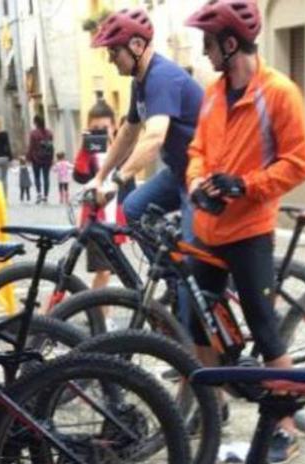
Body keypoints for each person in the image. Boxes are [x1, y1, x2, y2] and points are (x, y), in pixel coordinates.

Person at [183, 0, 305, 464]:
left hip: (250, 228)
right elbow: (197, 149)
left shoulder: (279, 93)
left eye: (209, 42)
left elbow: (298, 163)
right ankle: (213, 406)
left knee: (263, 324)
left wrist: (246, 186)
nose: (204, 50)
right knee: (199, 320)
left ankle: (286, 426)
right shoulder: (214, 93)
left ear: (230, 43)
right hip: (208, 226)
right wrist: (197, 182)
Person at [88, 7, 204, 238]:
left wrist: (119, 179)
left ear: (137, 46)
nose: (111, 60)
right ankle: (170, 274)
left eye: (114, 51)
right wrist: (100, 177)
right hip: (179, 172)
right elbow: (127, 134)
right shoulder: (139, 83)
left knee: (194, 254)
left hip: (200, 175)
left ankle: (189, 273)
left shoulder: (161, 77)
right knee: (134, 208)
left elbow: (153, 138)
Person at [73, 97, 126, 294]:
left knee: (111, 272)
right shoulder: (90, 153)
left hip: (115, 222)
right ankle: (98, 318)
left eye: (104, 127)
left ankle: (103, 316)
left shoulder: (122, 151)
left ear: (113, 126)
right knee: (103, 272)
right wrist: (84, 148)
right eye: (95, 128)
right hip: (95, 220)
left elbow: (127, 184)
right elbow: (79, 176)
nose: (101, 132)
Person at [27, 114, 56, 203]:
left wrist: (28, 157)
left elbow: (31, 147)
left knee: (37, 177)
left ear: (36, 122)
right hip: (47, 158)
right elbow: (51, 146)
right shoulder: (49, 133)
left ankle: (39, 194)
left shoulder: (33, 133)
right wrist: (52, 158)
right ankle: (46, 196)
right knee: (46, 177)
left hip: (36, 158)